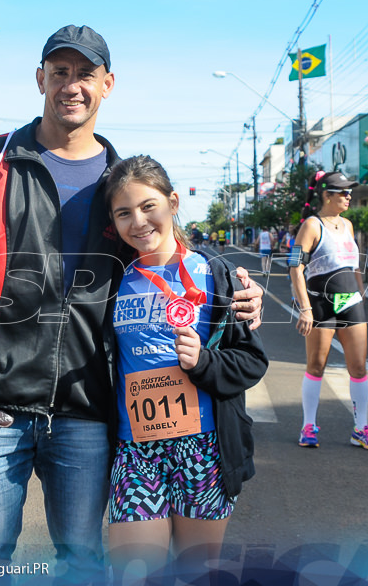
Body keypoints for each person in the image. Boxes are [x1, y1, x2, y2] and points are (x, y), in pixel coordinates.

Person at [0, 25, 263, 583]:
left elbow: (167, 255)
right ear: (40, 80)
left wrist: (233, 296)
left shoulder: (119, 182)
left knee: (81, 563)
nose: (71, 86)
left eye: (85, 74)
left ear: (107, 85)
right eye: (60, 73)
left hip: (85, 411)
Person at [104, 155, 267, 584]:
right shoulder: (111, 279)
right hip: (136, 450)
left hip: (204, 450)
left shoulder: (216, 274)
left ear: (173, 203)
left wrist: (205, 361)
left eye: (148, 206)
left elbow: (252, 360)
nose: (137, 222)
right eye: (124, 213)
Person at [289, 170, 368, 450]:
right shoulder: (312, 225)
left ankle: (361, 427)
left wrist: (361, 292)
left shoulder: (349, 225)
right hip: (321, 302)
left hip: (351, 302)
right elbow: (295, 266)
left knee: (358, 366)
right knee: (317, 365)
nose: (348, 196)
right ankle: (308, 425)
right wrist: (305, 308)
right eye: (343, 192)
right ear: (326, 195)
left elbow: (354, 265)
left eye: (349, 191)